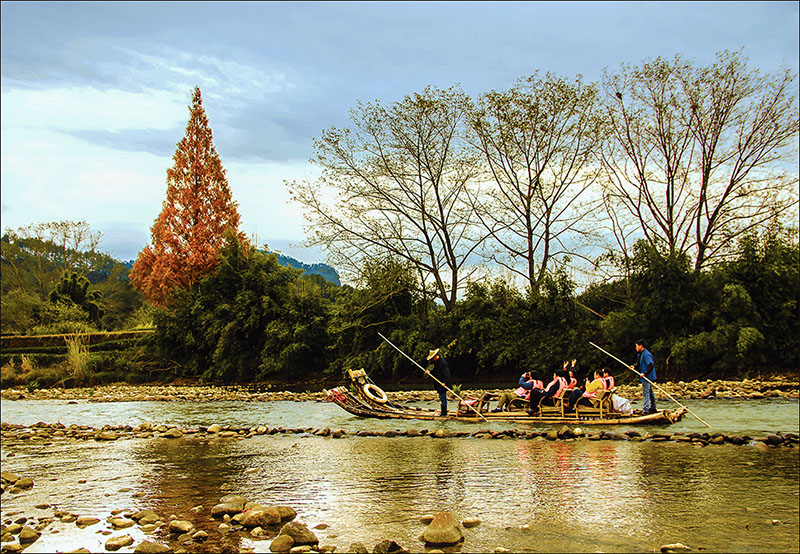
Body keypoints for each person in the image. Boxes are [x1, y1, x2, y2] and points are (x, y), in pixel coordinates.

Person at [630, 339, 657, 414]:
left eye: (636, 346)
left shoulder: (646, 354)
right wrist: (634, 367)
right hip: (645, 375)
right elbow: (639, 364)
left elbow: (651, 365)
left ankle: (646, 410)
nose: (636, 348)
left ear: (641, 346)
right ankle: (653, 407)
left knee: (646, 392)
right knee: (650, 392)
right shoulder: (640, 354)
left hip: (647, 376)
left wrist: (645, 373)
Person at [426, 348, 451, 416]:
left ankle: (444, 413)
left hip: (442, 383)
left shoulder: (442, 363)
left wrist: (445, 382)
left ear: (435, 356)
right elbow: (435, 372)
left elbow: (447, 374)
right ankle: (443, 412)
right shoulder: (437, 362)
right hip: (439, 383)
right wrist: (429, 372)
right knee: (441, 398)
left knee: (443, 398)